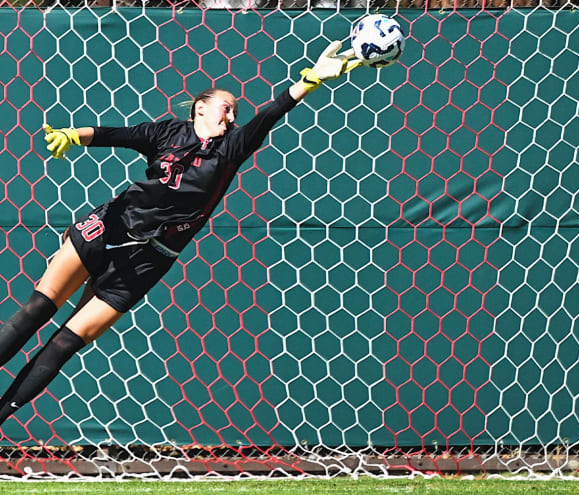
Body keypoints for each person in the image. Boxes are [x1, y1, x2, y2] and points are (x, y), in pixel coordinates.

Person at [0, 41, 361, 427]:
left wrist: (311, 81)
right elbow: (116, 135)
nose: (233, 115)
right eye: (227, 106)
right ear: (199, 108)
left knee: (65, 343)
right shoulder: (166, 132)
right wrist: (72, 135)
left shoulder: (231, 148)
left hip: (149, 260)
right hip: (109, 227)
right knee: (37, 309)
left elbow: (271, 113)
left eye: (236, 111)